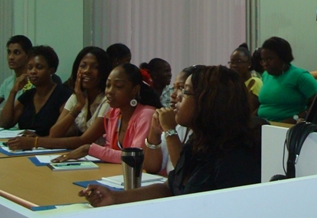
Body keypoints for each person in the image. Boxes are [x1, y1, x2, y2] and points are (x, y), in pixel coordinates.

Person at [79, 66, 260, 207]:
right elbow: (170, 188)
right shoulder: (198, 142)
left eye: (185, 91)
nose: (177, 97)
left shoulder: (236, 158)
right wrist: (114, 197)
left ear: (208, 102)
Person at [50, 64, 166, 174]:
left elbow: (135, 156)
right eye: (108, 85)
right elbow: (109, 151)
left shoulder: (146, 115)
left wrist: (90, 149)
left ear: (135, 90)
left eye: (118, 86)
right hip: (118, 174)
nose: (109, 91)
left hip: (148, 178)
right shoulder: (114, 114)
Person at [0, 45, 72, 136]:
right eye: (29, 68)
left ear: (51, 71)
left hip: (49, 144)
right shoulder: (28, 95)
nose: (33, 71)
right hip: (25, 143)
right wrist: (13, 91)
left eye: (39, 67)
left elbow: (70, 131)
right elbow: (5, 123)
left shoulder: (63, 94)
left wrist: (38, 140)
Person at [48, 47, 113, 138]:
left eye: (95, 67)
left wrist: (35, 141)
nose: (87, 71)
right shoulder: (77, 96)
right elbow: (54, 134)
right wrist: (78, 106)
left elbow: (84, 140)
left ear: (104, 72)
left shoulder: (109, 99)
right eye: (83, 66)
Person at [257, 37, 317, 123]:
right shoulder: (266, 75)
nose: (265, 64)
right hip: (265, 125)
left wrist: (296, 118)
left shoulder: (300, 76)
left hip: (288, 126)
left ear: (283, 57)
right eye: (263, 60)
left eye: (269, 59)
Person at [229, 45, 262, 113]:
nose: (234, 65)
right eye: (232, 62)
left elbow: (249, 109)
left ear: (249, 64)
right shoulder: (231, 83)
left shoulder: (255, 82)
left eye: (239, 61)